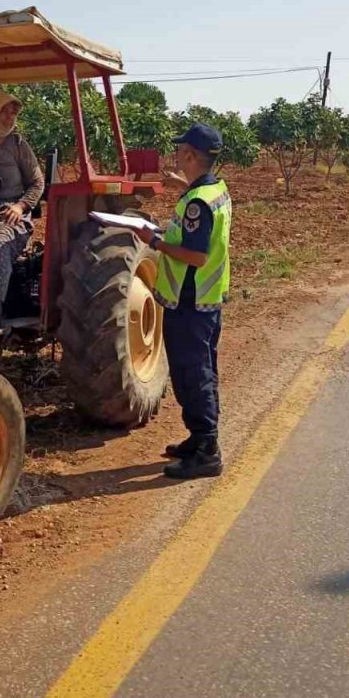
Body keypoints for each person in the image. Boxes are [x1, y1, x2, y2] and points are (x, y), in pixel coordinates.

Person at [133, 123, 232, 479]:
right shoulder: (213, 189)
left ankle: (207, 449)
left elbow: (196, 256)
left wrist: (154, 242)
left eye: (181, 151)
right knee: (199, 369)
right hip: (205, 298)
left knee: (194, 374)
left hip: (190, 300)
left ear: (190, 155)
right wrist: (182, 186)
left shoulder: (197, 204)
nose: (177, 155)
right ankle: (199, 437)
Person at [0, 91, 45, 319]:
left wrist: (21, 206)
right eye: (5, 111)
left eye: (13, 113)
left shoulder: (18, 145)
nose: (10, 117)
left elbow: (37, 182)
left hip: (8, 213)